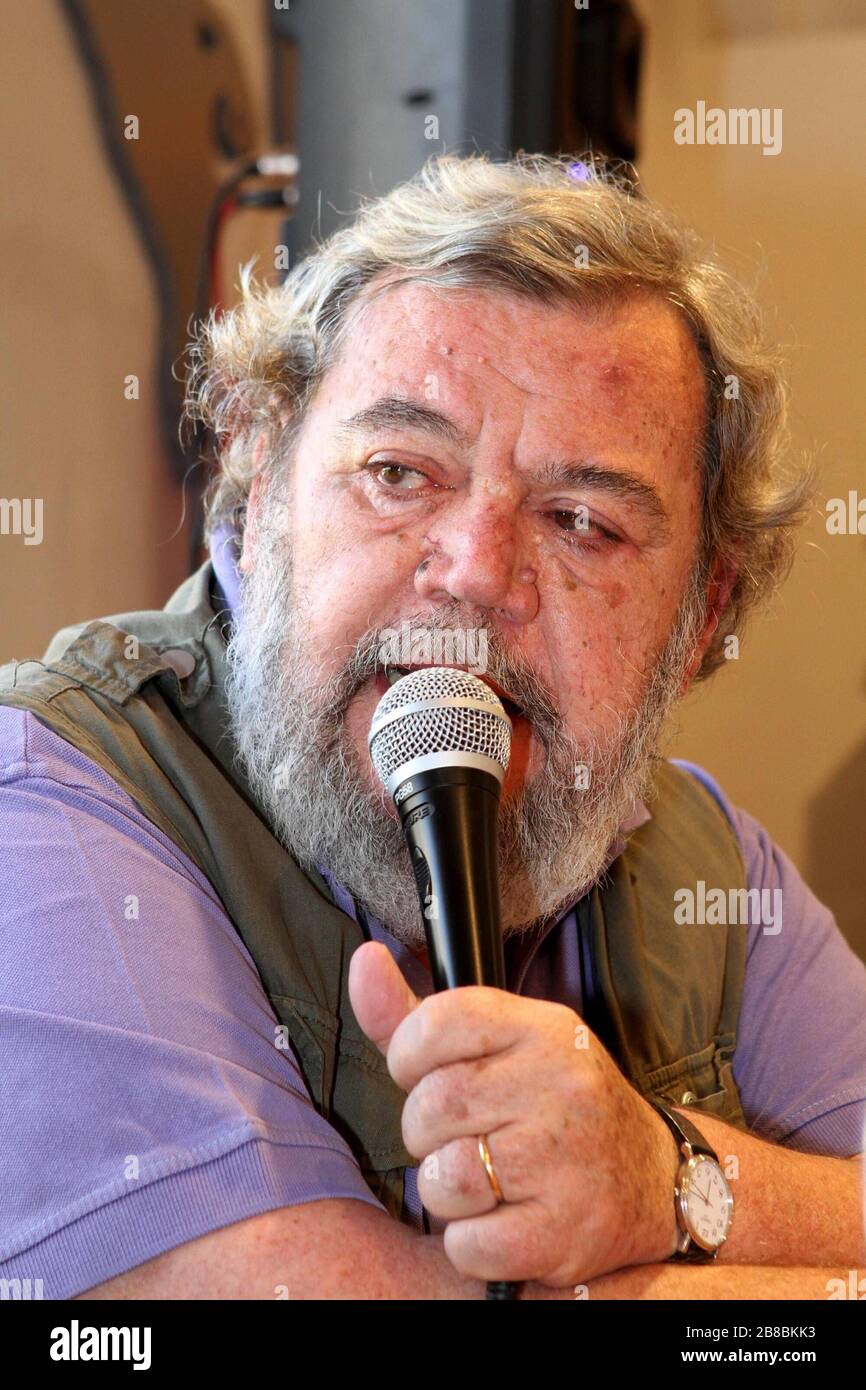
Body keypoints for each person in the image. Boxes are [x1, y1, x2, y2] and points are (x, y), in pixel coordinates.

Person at [1, 154, 864, 1301]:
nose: (473, 571)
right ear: (258, 488)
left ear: (700, 616)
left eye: (581, 521)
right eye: (399, 472)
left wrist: (664, 1177)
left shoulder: (706, 862)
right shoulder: (50, 792)